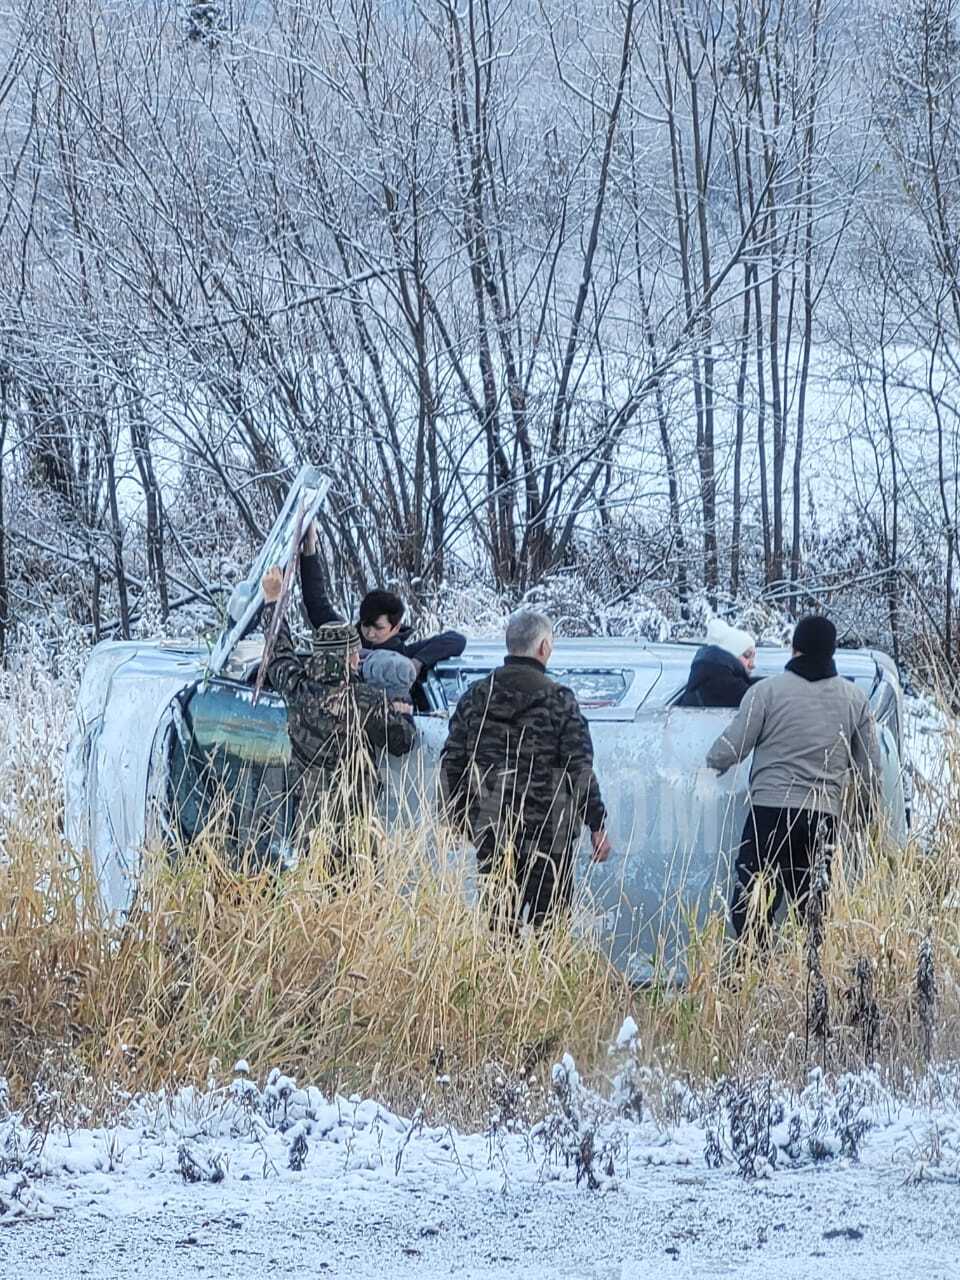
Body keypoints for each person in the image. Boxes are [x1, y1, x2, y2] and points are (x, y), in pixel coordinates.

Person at [705, 614, 882, 945]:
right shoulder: (855, 699)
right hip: (822, 818)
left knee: (753, 903)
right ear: (832, 652)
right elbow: (870, 769)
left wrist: (708, 763)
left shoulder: (767, 691)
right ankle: (810, 981)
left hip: (770, 814)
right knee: (812, 908)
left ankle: (757, 972)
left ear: (794, 647)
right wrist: (864, 817)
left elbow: (732, 746)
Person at [439, 609, 611, 930]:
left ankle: (499, 981)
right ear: (543, 647)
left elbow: (452, 761)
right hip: (550, 836)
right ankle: (540, 982)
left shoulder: (475, 696)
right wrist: (597, 825)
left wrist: (456, 818)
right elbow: (579, 767)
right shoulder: (559, 700)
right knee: (550, 931)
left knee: (500, 928)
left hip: (491, 830)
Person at [260, 566, 415, 861]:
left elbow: (278, 653)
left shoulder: (297, 689)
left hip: (308, 826)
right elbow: (403, 741)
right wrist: (401, 712)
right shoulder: (365, 701)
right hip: (353, 831)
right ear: (350, 657)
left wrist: (273, 601)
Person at [299, 523, 466, 709]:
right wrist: (309, 552)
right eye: (365, 625)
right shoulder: (346, 640)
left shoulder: (403, 655)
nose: (369, 633)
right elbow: (317, 605)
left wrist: (416, 663)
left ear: (395, 627)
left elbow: (456, 640)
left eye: (378, 627)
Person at [677, 618, 759, 709]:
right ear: (730, 655)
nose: (752, 664)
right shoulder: (721, 683)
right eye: (747, 655)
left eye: (753, 657)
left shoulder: (707, 677)